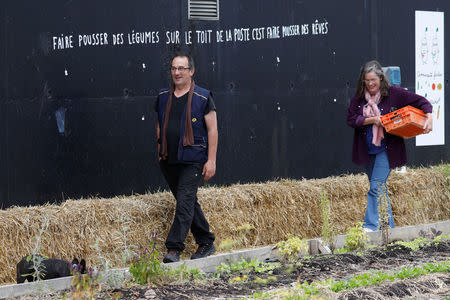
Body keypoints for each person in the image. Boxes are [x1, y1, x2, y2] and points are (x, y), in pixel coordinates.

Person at [346, 60, 433, 232]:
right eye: (367, 81)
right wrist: (372, 120)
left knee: (376, 186)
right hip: (367, 150)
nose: (370, 84)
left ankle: (370, 226)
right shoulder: (359, 97)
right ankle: (389, 228)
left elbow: (422, 102)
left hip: (387, 149)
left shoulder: (394, 94)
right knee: (380, 189)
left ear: (381, 78)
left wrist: (429, 117)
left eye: (373, 80)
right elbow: (351, 119)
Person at [155, 51, 217, 263]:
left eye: (181, 68)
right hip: (169, 160)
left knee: (184, 203)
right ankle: (206, 241)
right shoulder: (163, 96)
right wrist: (160, 148)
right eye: (174, 68)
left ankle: (174, 249)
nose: (177, 72)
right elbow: (159, 124)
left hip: (193, 160)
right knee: (188, 202)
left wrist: (211, 160)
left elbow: (213, 130)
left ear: (191, 71)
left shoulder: (203, 96)